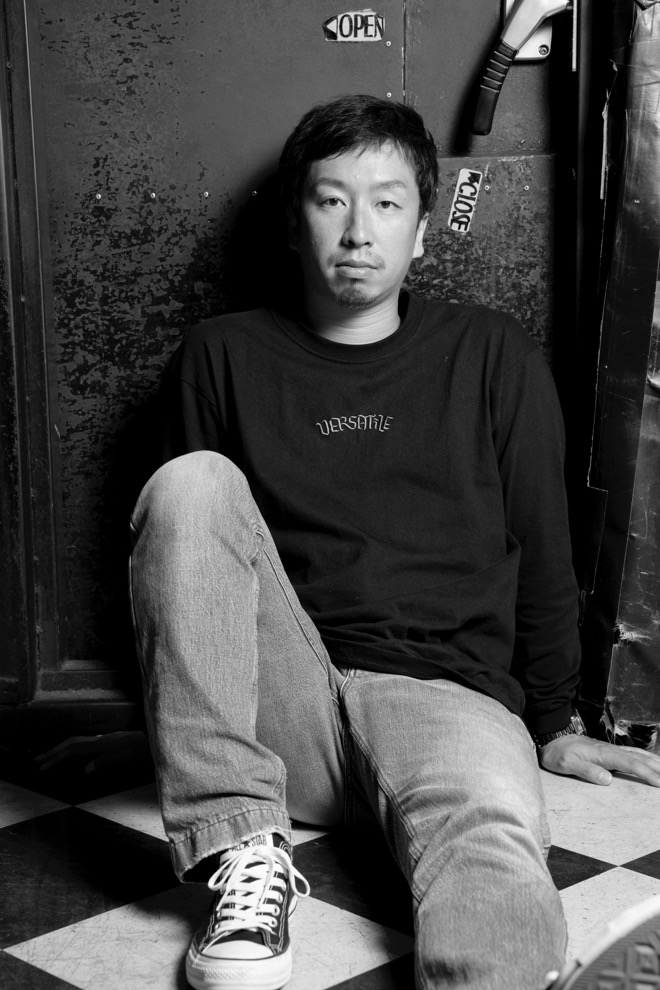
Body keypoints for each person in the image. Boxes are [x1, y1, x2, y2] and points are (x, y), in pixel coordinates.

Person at [128, 95, 660, 990]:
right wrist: (166, 721)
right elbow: (189, 568)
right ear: (294, 222)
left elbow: (542, 544)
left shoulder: (491, 354)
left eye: (386, 203)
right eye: (331, 200)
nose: (357, 231)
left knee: (489, 837)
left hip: (443, 694)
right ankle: (241, 849)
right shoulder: (221, 355)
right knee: (189, 485)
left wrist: (551, 722)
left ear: (421, 232)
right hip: (281, 709)